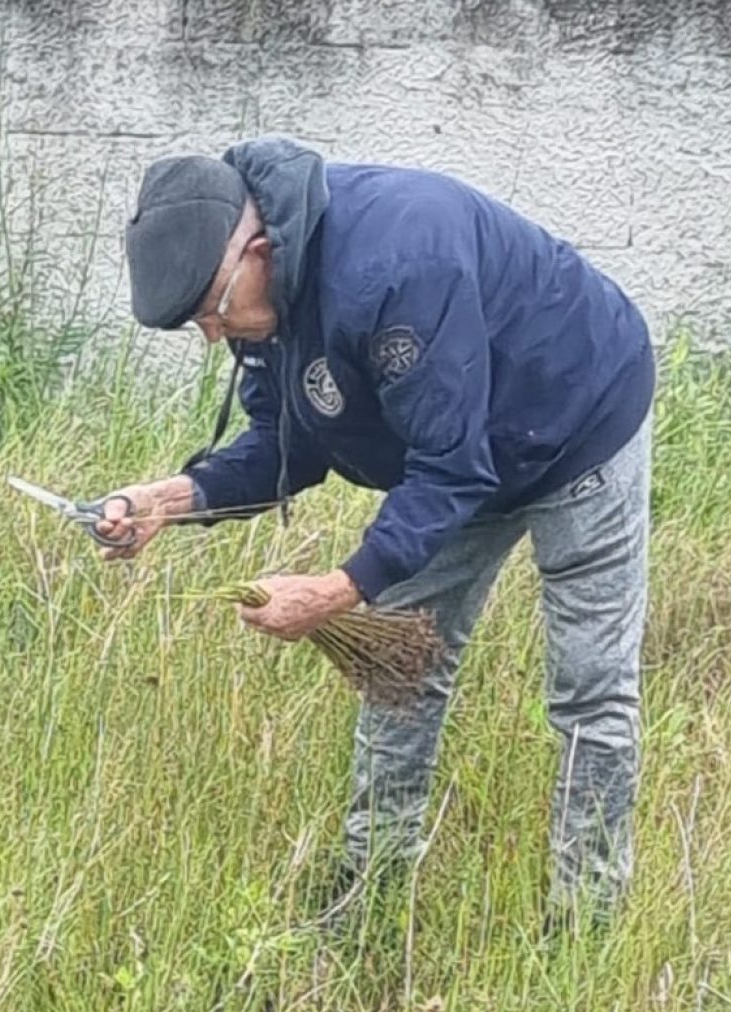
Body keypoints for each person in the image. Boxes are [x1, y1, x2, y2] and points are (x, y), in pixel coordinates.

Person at [97, 136, 655, 928]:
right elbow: (286, 444)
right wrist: (171, 499)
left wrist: (336, 590)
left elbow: (452, 472)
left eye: (212, 313)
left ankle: (585, 925)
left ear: (256, 249)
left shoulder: (396, 266)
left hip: (578, 420)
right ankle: (370, 889)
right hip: (453, 451)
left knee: (588, 690)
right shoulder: (271, 303)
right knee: (400, 670)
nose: (214, 338)